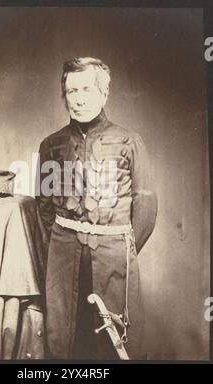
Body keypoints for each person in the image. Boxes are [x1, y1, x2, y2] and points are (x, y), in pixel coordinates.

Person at [35, 57, 157, 360]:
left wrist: (121, 248)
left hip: (114, 257)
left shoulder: (129, 142)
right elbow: (44, 210)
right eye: (72, 91)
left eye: (87, 89)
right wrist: (60, 249)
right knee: (66, 337)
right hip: (64, 260)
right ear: (64, 96)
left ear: (104, 93)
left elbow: (146, 209)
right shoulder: (51, 145)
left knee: (114, 339)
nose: (79, 99)